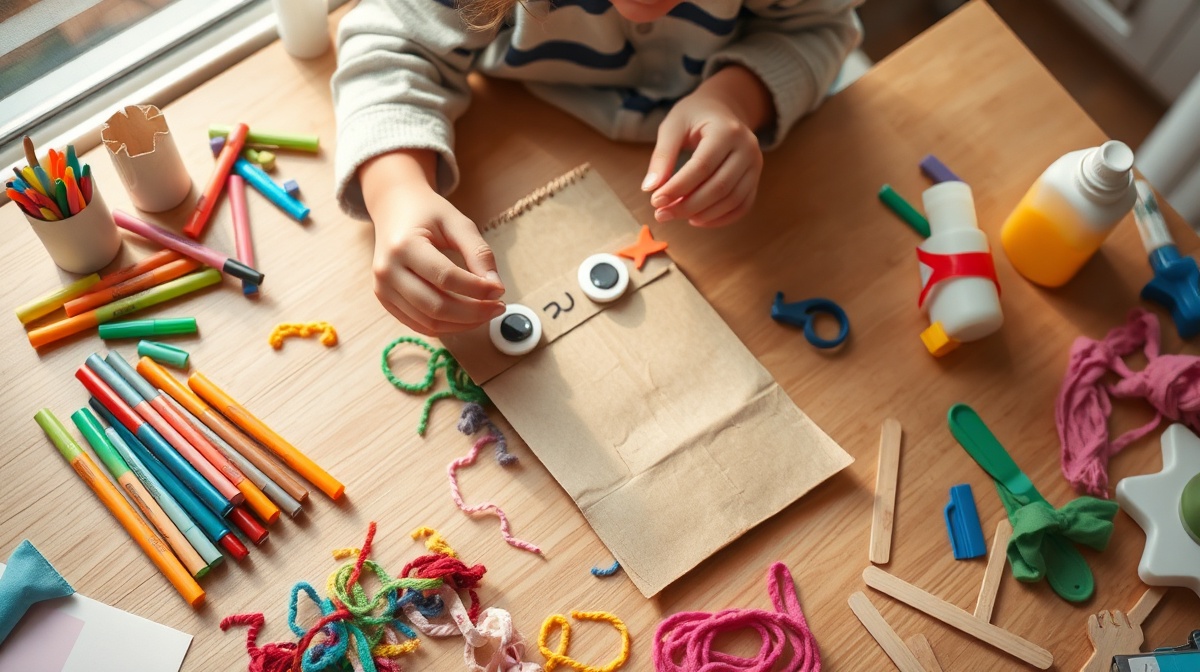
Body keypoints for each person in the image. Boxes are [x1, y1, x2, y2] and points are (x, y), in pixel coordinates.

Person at [333, 0, 862, 335]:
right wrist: (395, 187)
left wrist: (737, 99)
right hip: (530, 123)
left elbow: (821, 28)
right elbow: (390, 42)